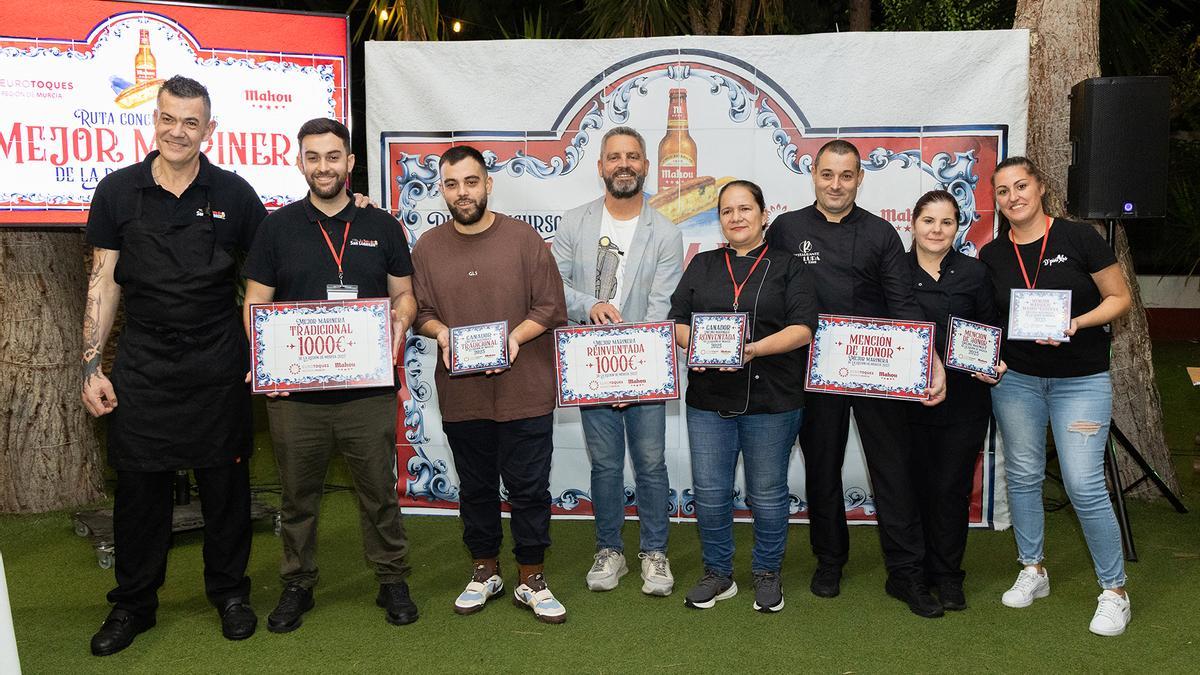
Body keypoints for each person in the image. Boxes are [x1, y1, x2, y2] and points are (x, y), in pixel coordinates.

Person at [81, 75, 265, 656]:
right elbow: (103, 283)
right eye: (168, 118)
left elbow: (269, 273)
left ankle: (231, 594)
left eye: (191, 122)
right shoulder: (117, 191)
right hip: (144, 365)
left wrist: (349, 204)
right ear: (152, 121)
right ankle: (134, 605)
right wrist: (89, 366)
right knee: (139, 491)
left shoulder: (235, 194)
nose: (178, 131)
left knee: (226, 489)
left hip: (218, 363)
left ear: (208, 129)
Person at [242, 118, 419, 632]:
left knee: (378, 492)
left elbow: (404, 293)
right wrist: (267, 352)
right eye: (313, 157)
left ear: (350, 162)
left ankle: (392, 579)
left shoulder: (381, 225)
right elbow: (256, 303)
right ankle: (297, 584)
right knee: (298, 496)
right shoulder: (275, 228)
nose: (324, 166)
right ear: (300, 162)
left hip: (366, 390)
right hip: (296, 395)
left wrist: (401, 319)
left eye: (333, 156)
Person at [765, 139, 947, 618]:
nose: (836, 185)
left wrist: (930, 358)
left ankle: (906, 573)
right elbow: (768, 294)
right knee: (822, 470)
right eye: (828, 174)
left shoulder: (881, 233)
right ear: (814, 175)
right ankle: (830, 560)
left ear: (860, 178)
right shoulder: (785, 229)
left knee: (893, 470)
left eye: (847, 176)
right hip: (814, 372)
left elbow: (904, 304)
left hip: (879, 371)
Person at [410, 145, 569, 623]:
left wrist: (513, 340)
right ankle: (484, 569)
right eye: (452, 184)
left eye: (471, 182)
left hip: (526, 392)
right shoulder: (427, 248)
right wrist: (442, 335)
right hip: (464, 395)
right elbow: (420, 312)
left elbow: (549, 308)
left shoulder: (524, 240)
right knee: (475, 488)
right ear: (443, 189)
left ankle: (531, 576)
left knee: (529, 489)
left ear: (488, 183)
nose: (463, 192)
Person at [979, 156, 1133, 636]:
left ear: (1040, 187)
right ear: (996, 200)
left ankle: (1115, 591)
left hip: (1081, 380)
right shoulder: (992, 254)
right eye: (1003, 191)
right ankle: (1034, 569)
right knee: (1023, 476)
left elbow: (1119, 298)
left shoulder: (1079, 237)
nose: (1013, 197)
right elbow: (993, 320)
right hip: (1018, 381)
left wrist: (1078, 323)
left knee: (1084, 484)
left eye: (1021, 186)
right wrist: (991, 357)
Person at [669, 180, 817, 613]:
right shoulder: (703, 265)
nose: (736, 217)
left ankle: (767, 573)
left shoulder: (790, 266)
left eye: (744, 209)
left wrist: (749, 350)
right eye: (727, 211)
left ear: (763, 214)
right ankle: (718, 574)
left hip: (773, 398)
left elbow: (803, 328)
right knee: (712, 492)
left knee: (767, 494)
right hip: (709, 400)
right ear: (720, 220)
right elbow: (676, 321)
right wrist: (696, 344)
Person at [551, 126, 684, 596]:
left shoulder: (666, 231)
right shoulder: (573, 223)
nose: (622, 164)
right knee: (605, 465)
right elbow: (554, 287)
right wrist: (587, 304)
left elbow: (662, 306)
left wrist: (633, 378)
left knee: (650, 464)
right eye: (614, 157)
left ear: (646, 165)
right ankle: (609, 550)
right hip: (591, 369)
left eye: (632, 156)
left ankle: (655, 553)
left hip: (644, 371)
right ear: (601, 166)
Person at [906, 189, 1006, 611]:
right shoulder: (891, 272)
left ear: (958, 227)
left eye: (947, 222)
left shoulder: (974, 273)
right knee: (911, 488)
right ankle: (912, 574)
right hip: (904, 399)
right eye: (929, 220)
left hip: (964, 399)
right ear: (913, 223)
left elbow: (990, 328)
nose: (937, 230)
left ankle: (947, 575)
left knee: (951, 487)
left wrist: (994, 362)